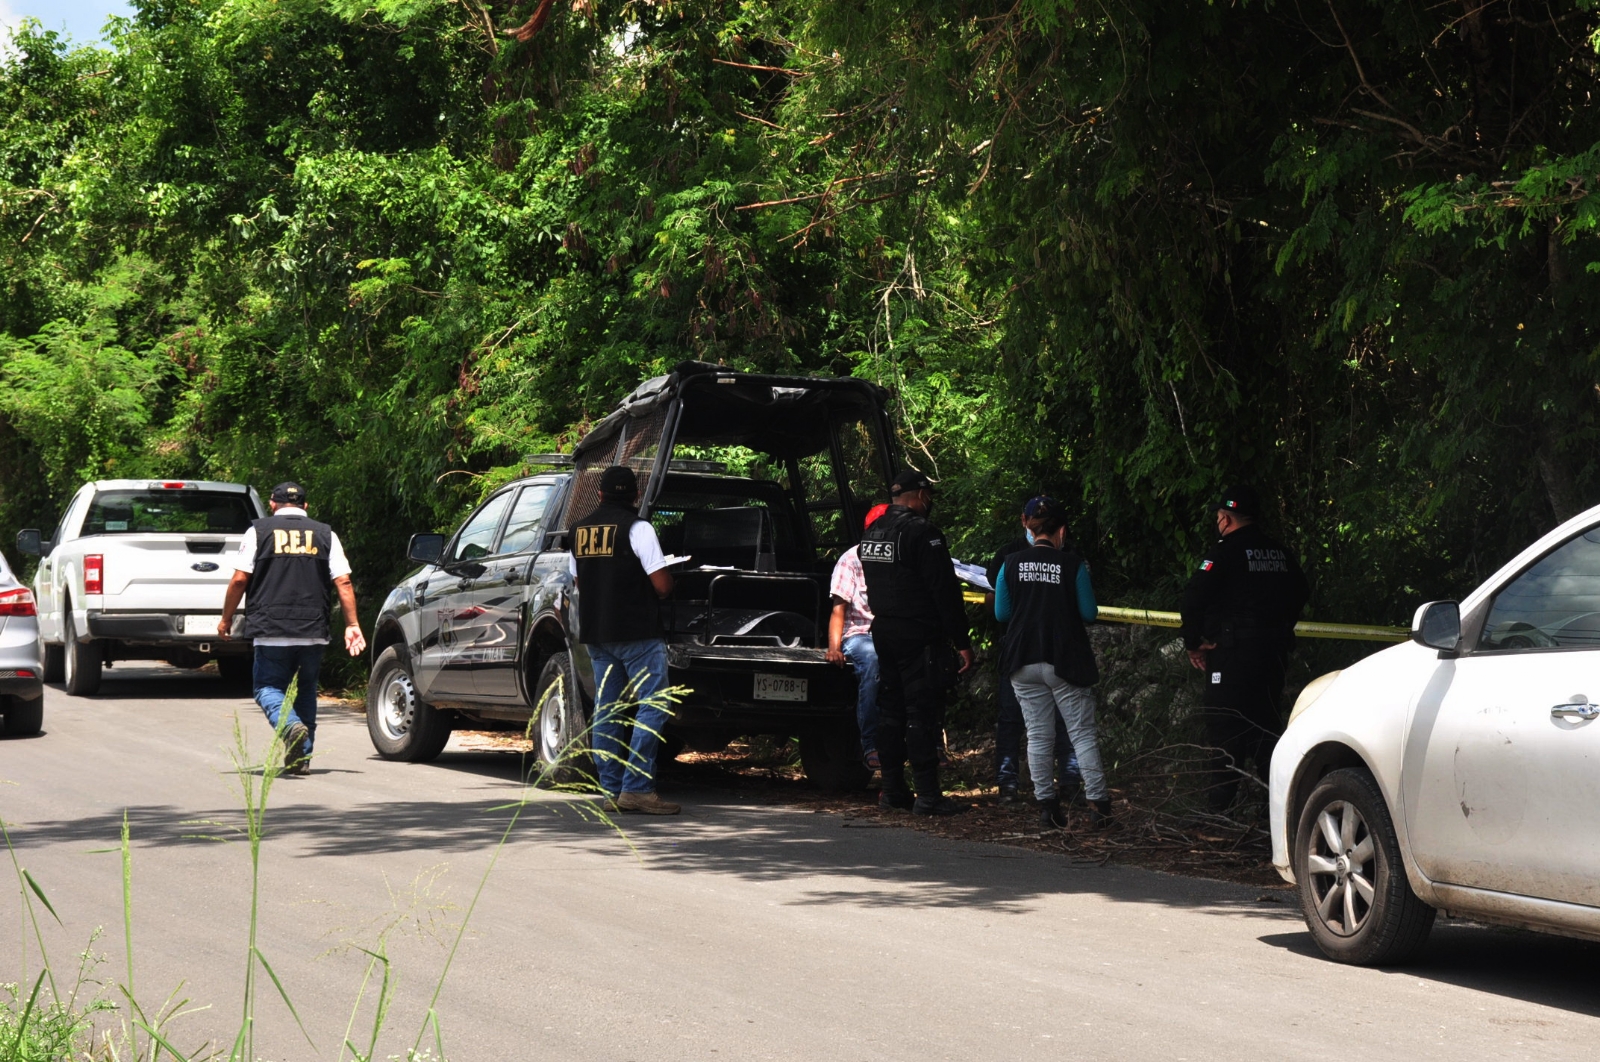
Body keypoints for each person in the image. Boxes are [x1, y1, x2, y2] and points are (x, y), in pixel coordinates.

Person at [219, 481, 366, 774]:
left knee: (267, 687)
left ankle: (289, 729)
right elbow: (344, 581)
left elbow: (239, 580)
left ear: (272, 504)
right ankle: (301, 759)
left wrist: (226, 618)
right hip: (313, 628)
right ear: (305, 507)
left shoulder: (258, 531)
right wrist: (352, 624)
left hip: (271, 626)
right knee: (306, 691)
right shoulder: (326, 534)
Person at [1179, 484, 1310, 810]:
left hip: (1232, 656)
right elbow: (1302, 592)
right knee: (1266, 727)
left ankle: (1218, 811)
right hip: (1272, 656)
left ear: (1225, 518)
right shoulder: (1279, 553)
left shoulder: (1224, 552)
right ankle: (1279, 810)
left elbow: (1193, 597)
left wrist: (1194, 643)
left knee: (1225, 727)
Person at [859, 469, 975, 816]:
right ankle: (927, 795)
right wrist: (962, 641)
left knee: (891, 710)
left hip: (883, 631)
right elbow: (945, 591)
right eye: (929, 496)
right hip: (919, 634)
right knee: (921, 711)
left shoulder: (871, 533)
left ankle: (893, 790)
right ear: (921, 496)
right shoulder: (922, 533)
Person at [993, 496, 1112, 830]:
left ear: (1029, 527)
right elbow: (1089, 613)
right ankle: (1099, 807)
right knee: (1082, 734)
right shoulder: (1073, 565)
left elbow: (1002, 613)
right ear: (1061, 530)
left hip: (1022, 659)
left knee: (1038, 735)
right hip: (1065, 659)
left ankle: (1047, 808)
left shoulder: (1010, 562)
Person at [569, 465, 680, 815]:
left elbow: (579, 584)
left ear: (600, 494)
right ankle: (637, 788)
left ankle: (611, 790)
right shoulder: (639, 528)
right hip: (638, 635)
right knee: (654, 704)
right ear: (635, 495)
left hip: (598, 636)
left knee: (607, 711)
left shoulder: (578, 531)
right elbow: (661, 586)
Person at [986, 495, 1080, 806]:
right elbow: (1086, 608)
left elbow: (1001, 608)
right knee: (1021, 721)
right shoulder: (1010, 555)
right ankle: (1010, 783)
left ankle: (1064, 786)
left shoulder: (1064, 556)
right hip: (1043, 650)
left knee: (1053, 725)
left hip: (1025, 651)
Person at [826, 503, 891, 770]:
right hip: (859, 634)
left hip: (891, 631)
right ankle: (870, 743)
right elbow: (838, 610)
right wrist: (834, 647)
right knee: (873, 660)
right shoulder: (851, 559)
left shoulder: (896, 558)